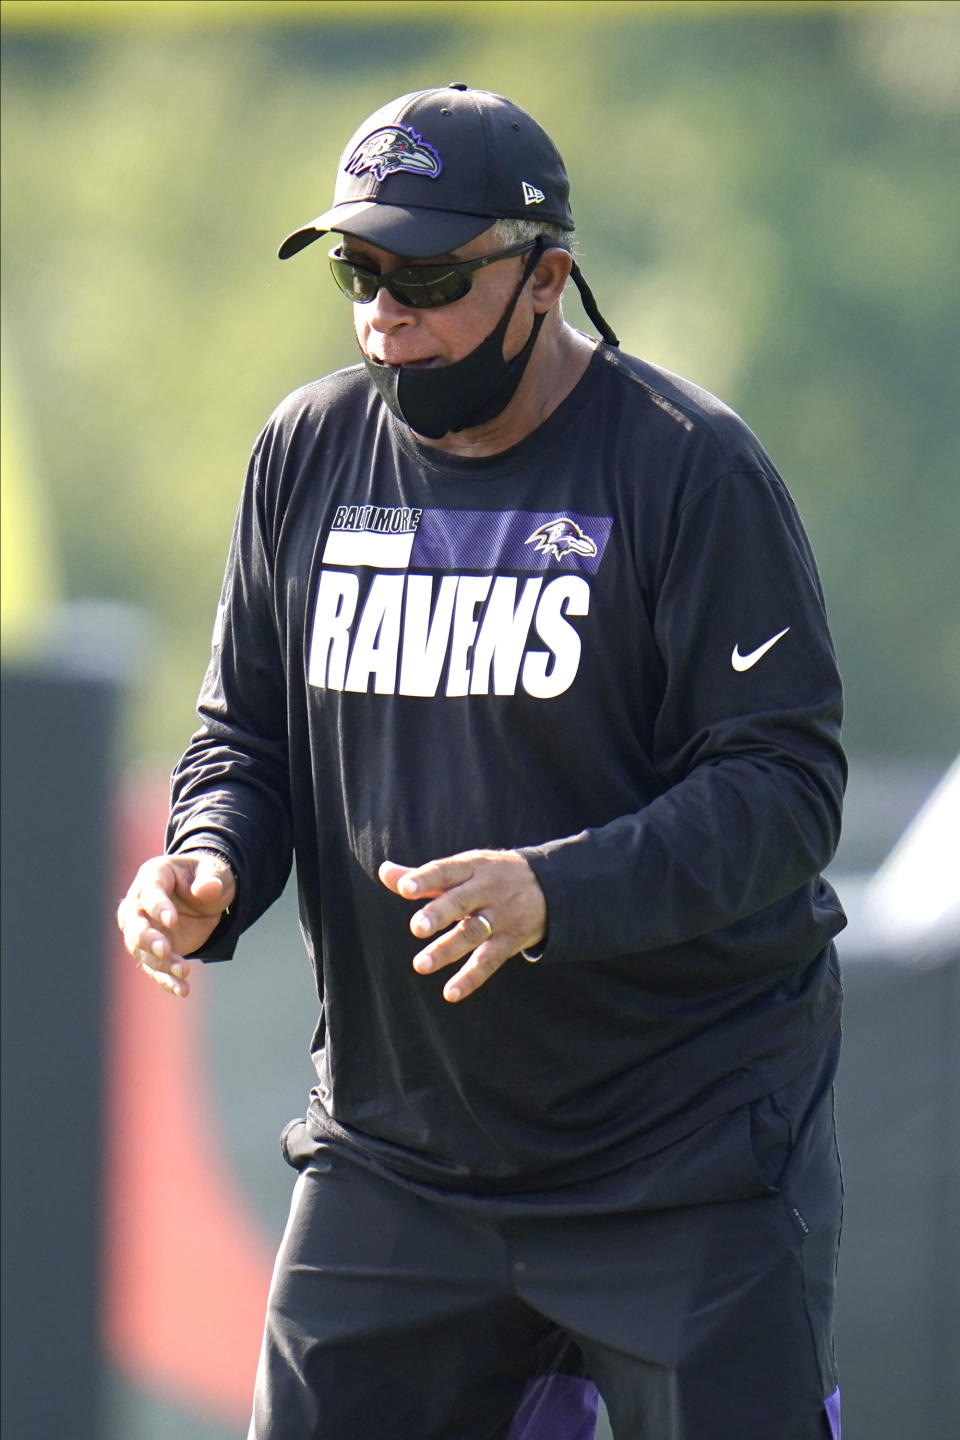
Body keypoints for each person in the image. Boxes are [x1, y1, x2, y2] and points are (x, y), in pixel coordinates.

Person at [117, 84, 846, 1440]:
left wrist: (554, 893)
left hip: (674, 1165)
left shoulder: (690, 470)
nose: (385, 310)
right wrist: (208, 856)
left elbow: (784, 792)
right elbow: (244, 740)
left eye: (431, 274)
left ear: (547, 277)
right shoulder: (308, 451)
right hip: (402, 1163)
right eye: (358, 269)